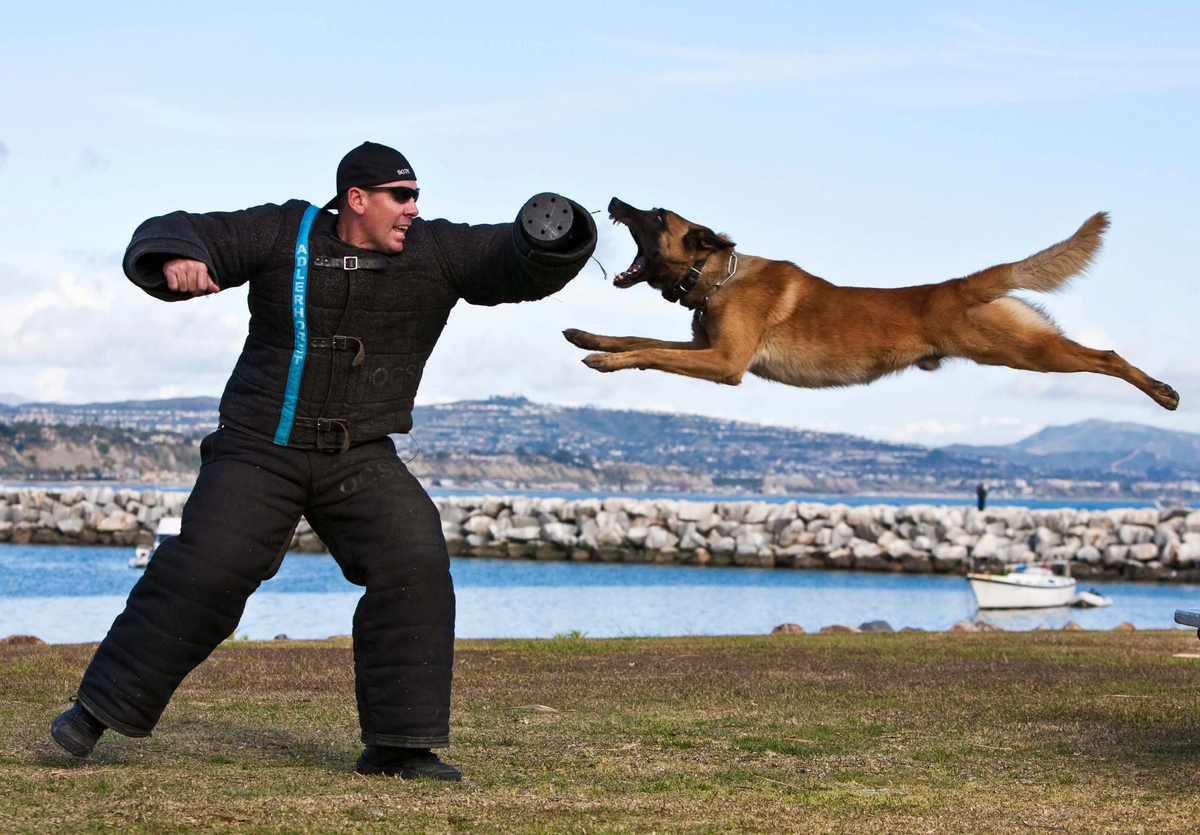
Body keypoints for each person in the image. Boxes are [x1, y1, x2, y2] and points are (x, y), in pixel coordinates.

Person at [50, 142, 597, 780]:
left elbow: (512, 262)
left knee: (413, 562)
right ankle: (94, 711)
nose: (413, 210)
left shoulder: (435, 250)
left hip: (360, 456)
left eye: (417, 196)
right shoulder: (285, 231)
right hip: (259, 448)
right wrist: (177, 257)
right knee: (206, 570)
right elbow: (187, 232)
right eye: (402, 196)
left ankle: (399, 746)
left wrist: (551, 241)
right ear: (357, 199)